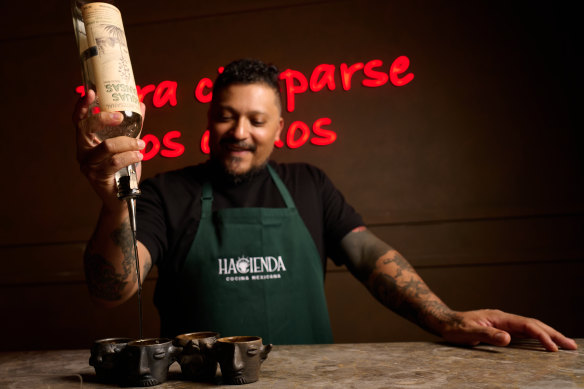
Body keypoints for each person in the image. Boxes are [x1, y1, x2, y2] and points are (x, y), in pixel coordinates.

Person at [74, 58, 577, 351]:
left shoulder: (309, 184)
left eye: (256, 119)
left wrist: (445, 318)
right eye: (227, 117)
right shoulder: (167, 191)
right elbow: (112, 290)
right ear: (210, 120)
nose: (240, 133)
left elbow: (369, 257)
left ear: (280, 129)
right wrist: (113, 200)